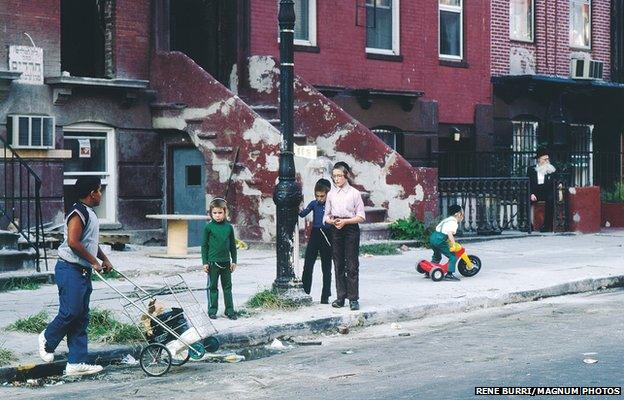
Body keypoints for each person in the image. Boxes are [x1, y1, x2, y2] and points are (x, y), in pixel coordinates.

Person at [39, 176, 112, 376]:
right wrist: (94, 262)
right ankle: (47, 337)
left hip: (81, 270)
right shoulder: (77, 212)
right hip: (69, 268)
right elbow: (73, 242)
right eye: (99, 190)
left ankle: (76, 362)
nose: (100, 194)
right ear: (91, 193)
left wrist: (103, 259)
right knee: (71, 311)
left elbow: (89, 242)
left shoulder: (90, 213)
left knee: (81, 315)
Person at [323, 162, 365, 311]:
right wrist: (333, 221)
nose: (336, 179)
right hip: (336, 228)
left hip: (351, 228)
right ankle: (341, 297)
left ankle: (353, 298)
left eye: (339, 176)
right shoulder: (331, 194)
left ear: (346, 175)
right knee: (338, 262)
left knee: (352, 264)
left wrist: (346, 221)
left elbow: (361, 216)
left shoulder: (354, 193)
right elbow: (326, 216)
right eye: (334, 176)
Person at [202, 198, 238, 320]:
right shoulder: (208, 228)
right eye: (215, 213)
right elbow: (204, 246)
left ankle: (230, 310)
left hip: (226, 263)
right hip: (213, 263)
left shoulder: (228, 228)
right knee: (213, 287)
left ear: (225, 212)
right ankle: (212, 310)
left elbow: (233, 245)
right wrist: (205, 262)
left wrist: (234, 261)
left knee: (227, 287)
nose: (217, 215)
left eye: (220, 213)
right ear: (211, 213)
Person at [299, 178, 333, 304]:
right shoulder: (313, 203)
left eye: (322, 196)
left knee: (326, 267)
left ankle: (325, 296)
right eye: (317, 196)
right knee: (308, 264)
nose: (319, 198)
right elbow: (303, 214)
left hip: (327, 235)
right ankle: (305, 292)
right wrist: (298, 207)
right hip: (315, 234)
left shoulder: (333, 205)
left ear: (328, 194)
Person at [429, 204, 464, 281]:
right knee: (453, 256)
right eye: (461, 212)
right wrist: (454, 244)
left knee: (437, 255)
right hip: (440, 240)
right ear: (457, 214)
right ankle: (449, 274)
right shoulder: (453, 222)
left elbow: (441, 229)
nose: (462, 214)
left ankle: (430, 269)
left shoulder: (447, 220)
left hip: (433, 238)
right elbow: (449, 233)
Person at [527, 149, 556, 232]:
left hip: (547, 191)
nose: (547, 161)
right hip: (535, 192)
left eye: (548, 159)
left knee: (551, 199)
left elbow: (555, 181)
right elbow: (528, 183)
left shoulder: (551, 169)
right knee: (524, 200)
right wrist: (531, 194)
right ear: (539, 159)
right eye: (545, 159)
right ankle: (528, 225)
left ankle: (546, 226)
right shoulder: (531, 169)